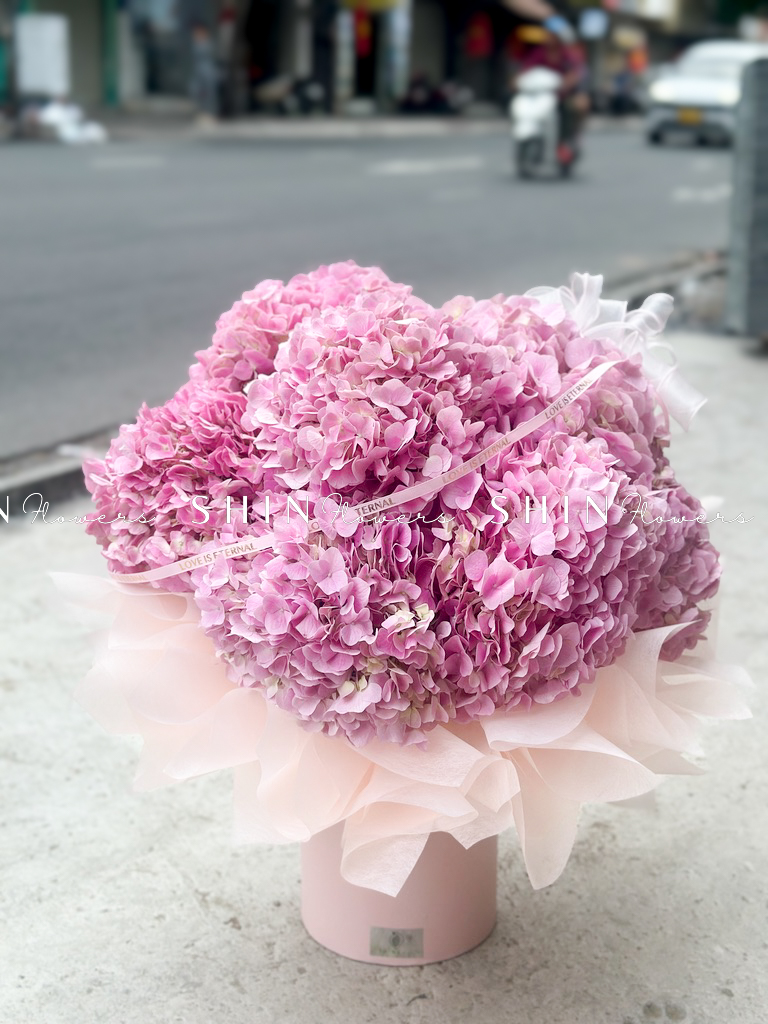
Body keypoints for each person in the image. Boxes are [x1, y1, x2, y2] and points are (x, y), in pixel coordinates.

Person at [519, 25, 589, 164]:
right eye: (548, 35)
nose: (549, 38)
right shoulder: (539, 52)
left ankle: (570, 138)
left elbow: (575, 72)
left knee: (578, 105)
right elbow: (527, 69)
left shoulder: (567, 54)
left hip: (563, 95)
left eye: (552, 35)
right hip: (541, 95)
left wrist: (567, 82)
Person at [189, 22, 219, 123]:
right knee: (197, 91)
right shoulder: (196, 43)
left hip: (207, 70)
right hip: (198, 71)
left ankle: (210, 113)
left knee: (209, 93)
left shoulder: (208, 44)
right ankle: (202, 112)